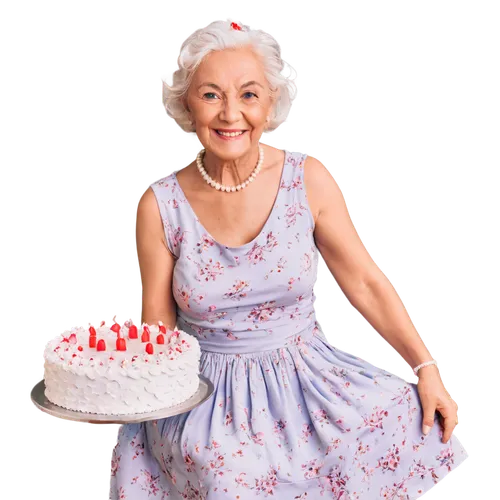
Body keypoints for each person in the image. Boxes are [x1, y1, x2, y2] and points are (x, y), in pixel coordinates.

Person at [108, 18, 469, 499]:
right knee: (229, 475)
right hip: (207, 397)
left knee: (401, 411)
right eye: (211, 95)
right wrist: (119, 392)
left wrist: (426, 369)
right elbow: (159, 329)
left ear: (270, 104)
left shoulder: (307, 178)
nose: (230, 113)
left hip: (308, 379)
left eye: (248, 95)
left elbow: (362, 281)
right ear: (186, 105)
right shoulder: (160, 204)